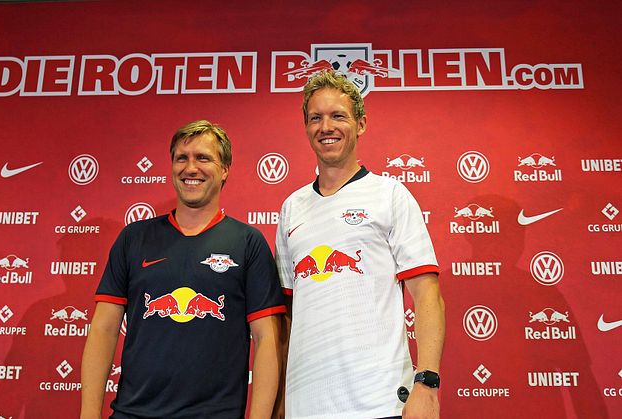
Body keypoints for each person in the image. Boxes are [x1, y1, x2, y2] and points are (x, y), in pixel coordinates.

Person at [81, 120, 286, 419]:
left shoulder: (248, 242)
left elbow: (267, 339)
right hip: (133, 412)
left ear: (225, 169)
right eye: (182, 158)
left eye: (203, 158)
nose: (191, 168)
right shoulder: (134, 238)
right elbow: (104, 329)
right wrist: (88, 414)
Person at [275, 70, 445, 419]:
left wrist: (426, 383)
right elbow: (288, 318)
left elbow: (427, 294)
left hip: (378, 402)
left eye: (338, 116)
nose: (326, 127)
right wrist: (281, 401)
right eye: (316, 118)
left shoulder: (390, 195)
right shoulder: (292, 208)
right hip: (305, 406)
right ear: (306, 127)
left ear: (361, 124)